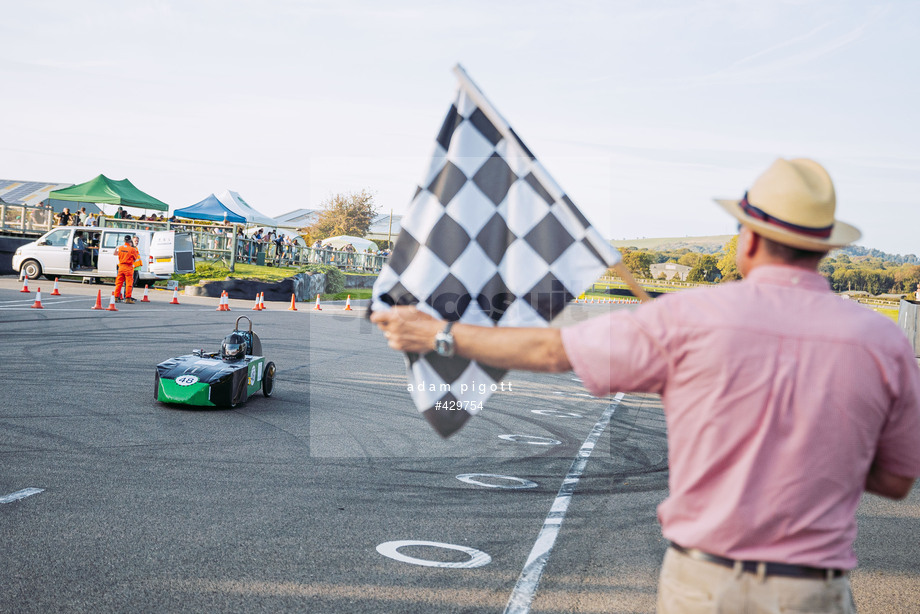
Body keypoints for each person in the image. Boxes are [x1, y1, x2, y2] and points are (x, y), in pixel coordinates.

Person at [370, 158, 920, 613]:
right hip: (812, 591)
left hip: (705, 585)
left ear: (748, 239)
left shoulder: (689, 316)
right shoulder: (884, 340)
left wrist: (438, 333)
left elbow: (552, 351)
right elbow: (897, 479)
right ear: (825, 248)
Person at [114, 234, 141, 303]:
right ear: (130, 241)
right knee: (129, 284)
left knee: (119, 283)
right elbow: (135, 258)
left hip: (121, 267)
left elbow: (116, 254)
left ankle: (116, 297)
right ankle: (128, 298)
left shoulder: (120, 248)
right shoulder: (132, 249)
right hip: (128, 267)